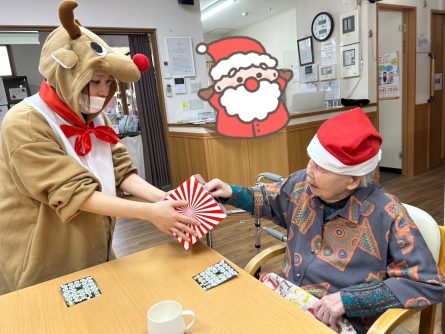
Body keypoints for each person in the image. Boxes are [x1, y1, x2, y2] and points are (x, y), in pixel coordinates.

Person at [0, 1, 198, 295]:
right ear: (64, 75)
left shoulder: (95, 116)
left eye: (108, 82)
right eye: (94, 81)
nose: (103, 91)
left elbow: (121, 171)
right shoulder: (26, 122)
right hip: (44, 255)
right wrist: (150, 213)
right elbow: (73, 192)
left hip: (96, 245)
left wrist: (165, 198)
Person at [205, 107, 445, 333]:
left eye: (322, 167)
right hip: (288, 299)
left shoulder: (387, 213)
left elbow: (428, 283)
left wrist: (348, 300)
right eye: (311, 160)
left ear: (352, 180)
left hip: (336, 320)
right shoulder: (303, 184)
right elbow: (269, 199)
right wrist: (232, 192)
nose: (309, 171)